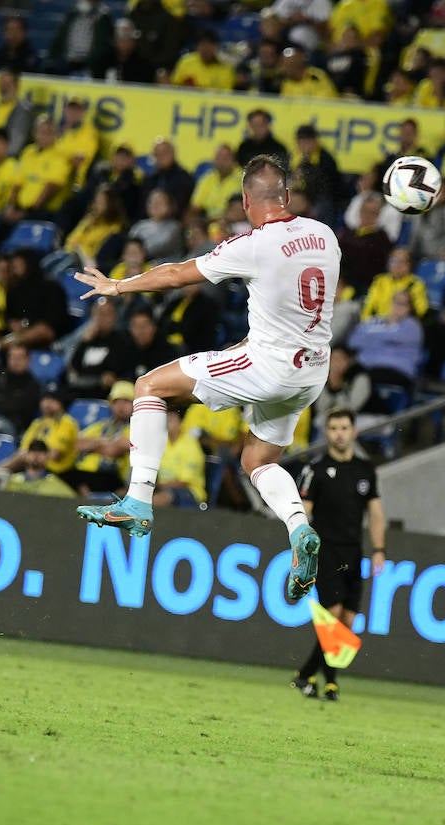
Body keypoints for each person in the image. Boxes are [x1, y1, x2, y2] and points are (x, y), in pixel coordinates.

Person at [71, 154, 338, 602]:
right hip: (311, 371)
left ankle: (137, 500)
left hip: (269, 366)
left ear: (246, 202)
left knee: (149, 386)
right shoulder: (325, 235)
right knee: (257, 461)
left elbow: (176, 274)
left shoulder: (251, 244)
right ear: (288, 197)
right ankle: (299, 529)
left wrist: (117, 286)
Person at [292, 407, 385, 701]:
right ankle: (326, 681)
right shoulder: (315, 470)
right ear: (327, 432)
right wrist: (302, 550)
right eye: (333, 428)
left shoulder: (365, 470)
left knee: (347, 623)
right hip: (326, 551)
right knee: (332, 618)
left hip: (354, 552)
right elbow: (304, 514)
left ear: (353, 432)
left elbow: (375, 513)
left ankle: (309, 676)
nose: (339, 433)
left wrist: (379, 549)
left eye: (344, 428)